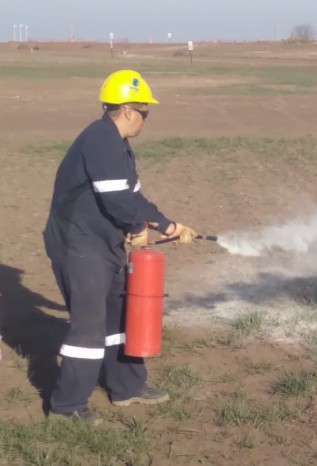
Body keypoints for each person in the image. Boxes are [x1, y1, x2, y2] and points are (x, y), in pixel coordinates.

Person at [43, 69, 198, 424]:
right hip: (78, 243)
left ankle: (127, 387)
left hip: (102, 242)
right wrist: (135, 227)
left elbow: (132, 197)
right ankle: (66, 407)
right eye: (145, 112)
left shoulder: (117, 146)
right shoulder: (101, 140)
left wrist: (168, 224)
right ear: (129, 110)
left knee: (118, 317)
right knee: (89, 326)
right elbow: (117, 200)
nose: (146, 119)